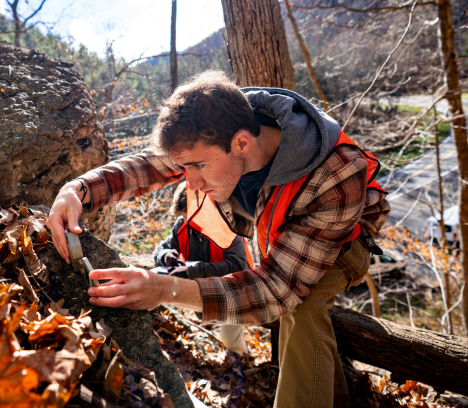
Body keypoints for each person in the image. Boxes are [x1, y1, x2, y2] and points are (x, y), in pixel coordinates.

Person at [48, 70, 390, 408]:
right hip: (281, 232)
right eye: (185, 169)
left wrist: (163, 289)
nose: (190, 184)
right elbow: (149, 167)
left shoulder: (337, 173)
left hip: (346, 241)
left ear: (241, 142)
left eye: (198, 167)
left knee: (303, 305)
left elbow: (275, 290)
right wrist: (76, 191)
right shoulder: (217, 128)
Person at [153, 181, 252, 355]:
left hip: (235, 290)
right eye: (185, 218)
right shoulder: (182, 224)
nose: (189, 223)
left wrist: (190, 269)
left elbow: (237, 266)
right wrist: (165, 256)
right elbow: (159, 250)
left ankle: (244, 361)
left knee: (230, 341)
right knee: (152, 278)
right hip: (199, 286)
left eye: (191, 218)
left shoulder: (228, 225)